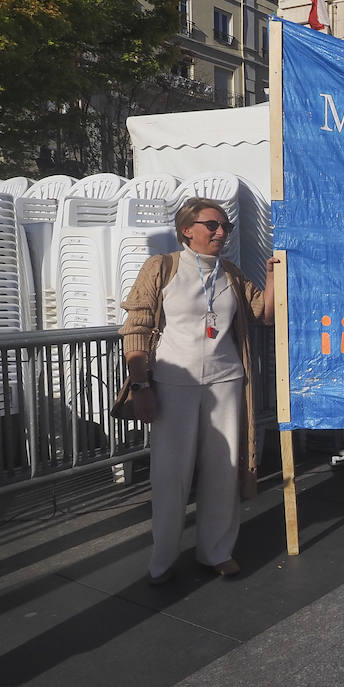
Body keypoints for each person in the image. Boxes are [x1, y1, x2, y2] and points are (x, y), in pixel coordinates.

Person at [120, 197, 277, 585]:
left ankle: (216, 551)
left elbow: (265, 315)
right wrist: (140, 385)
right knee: (171, 473)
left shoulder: (232, 274)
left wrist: (275, 273)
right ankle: (163, 558)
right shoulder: (162, 267)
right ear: (187, 228)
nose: (221, 232)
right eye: (212, 225)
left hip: (226, 380)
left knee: (223, 471)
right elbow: (137, 326)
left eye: (226, 227)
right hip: (175, 383)